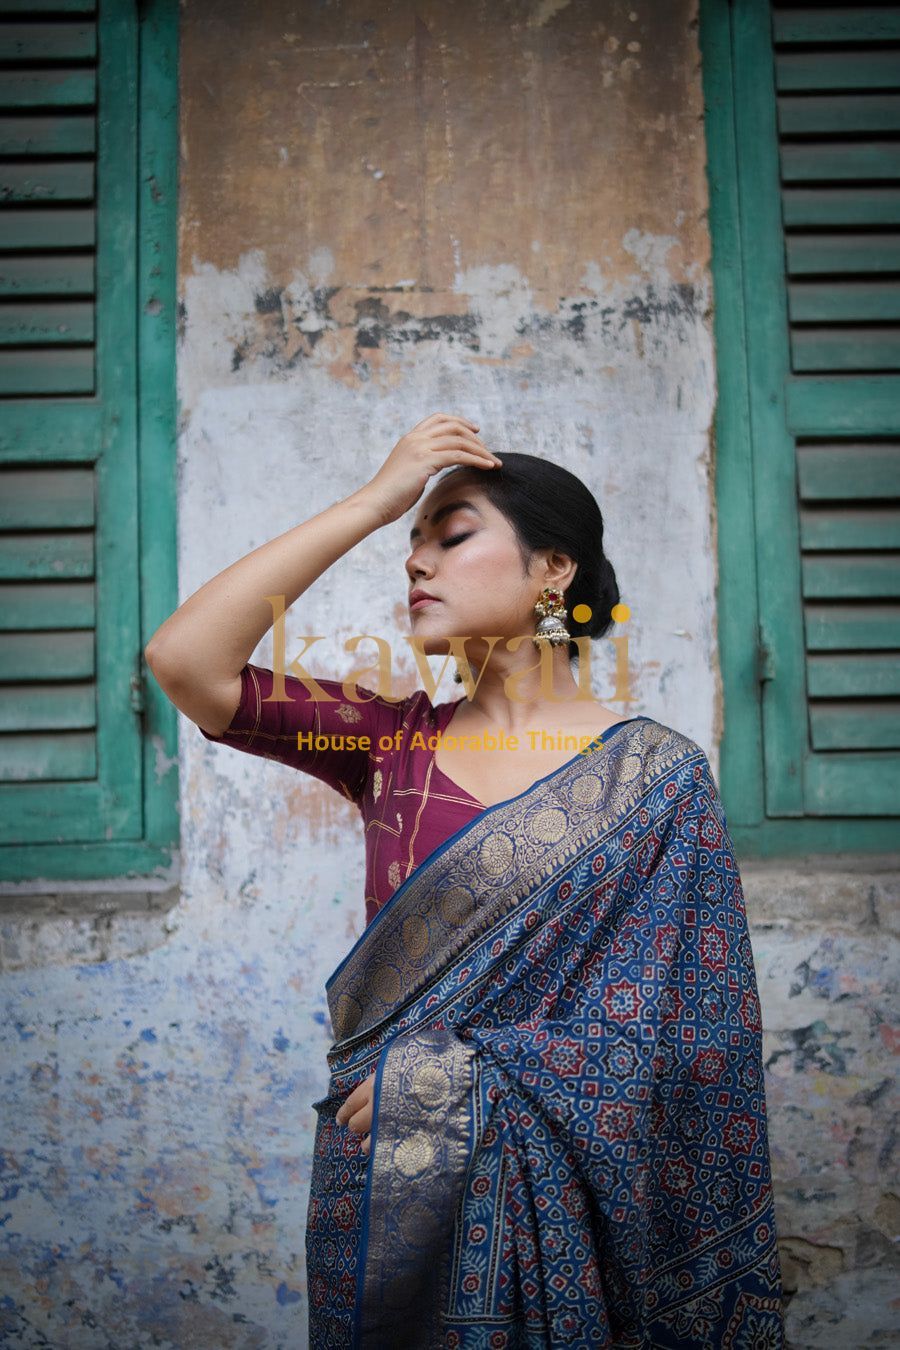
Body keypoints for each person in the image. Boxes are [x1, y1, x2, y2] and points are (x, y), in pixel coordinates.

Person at [145, 413, 785, 1347]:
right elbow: (184, 663)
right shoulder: (385, 743)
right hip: (382, 1179)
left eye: (452, 536)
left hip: (566, 1194)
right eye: (409, 544)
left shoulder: (658, 781)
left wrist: (461, 1080)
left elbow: (689, 1039)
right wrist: (373, 502)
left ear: (552, 570)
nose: (416, 563)